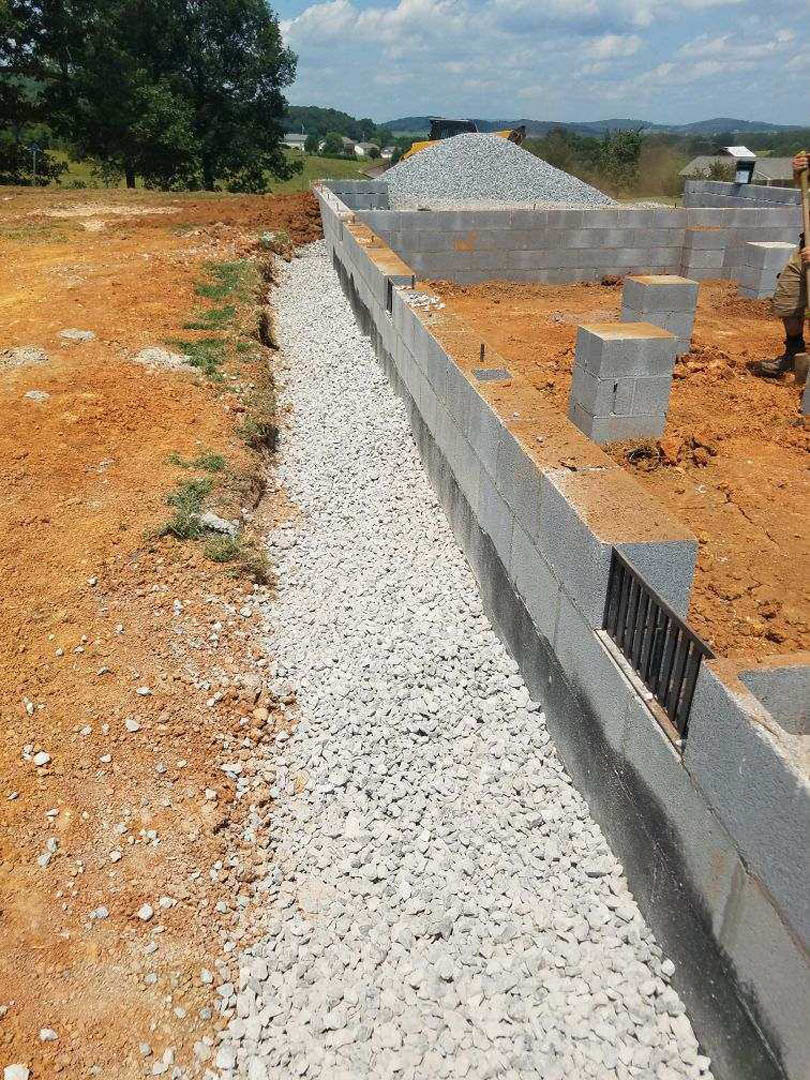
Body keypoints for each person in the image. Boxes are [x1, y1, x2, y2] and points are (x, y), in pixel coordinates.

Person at [760, 151, 810, 376]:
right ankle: (794, 352)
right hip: (804, 250)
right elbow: (804, 184)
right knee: (787, 301)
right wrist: (798, 171)